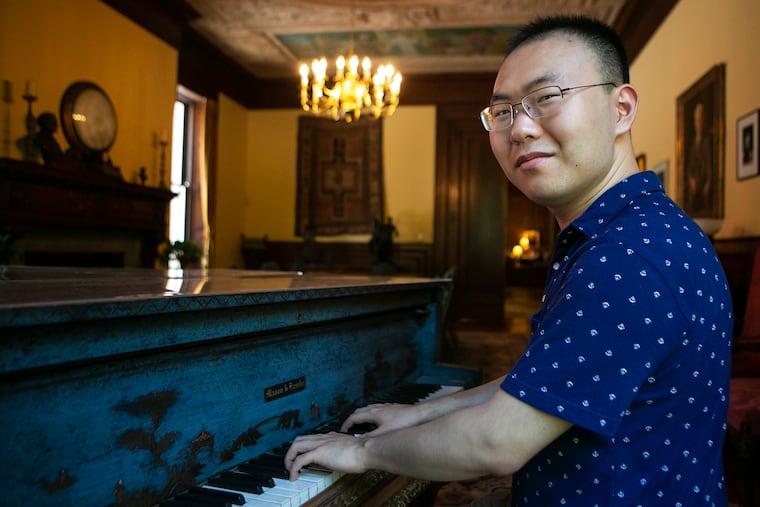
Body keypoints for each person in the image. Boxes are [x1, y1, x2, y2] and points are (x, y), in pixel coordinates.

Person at [285, 15, 733, 506]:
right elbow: (549, 377)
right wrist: (422, 414)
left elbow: (496, 441)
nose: (519, 128)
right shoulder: (631, 229)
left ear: (621, 108)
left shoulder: (627, 255)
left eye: (547, 99)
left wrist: (363, 452)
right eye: (502, 111)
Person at [684, 101, 715, 216]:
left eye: (701, 120)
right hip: (695, 185)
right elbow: (690, 167)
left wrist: (708, 182)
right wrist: (691, 179)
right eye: (697, 120)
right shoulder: (693, 144)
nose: (699, 123)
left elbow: (709, 163)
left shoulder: (708, 141)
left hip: (704, 183)